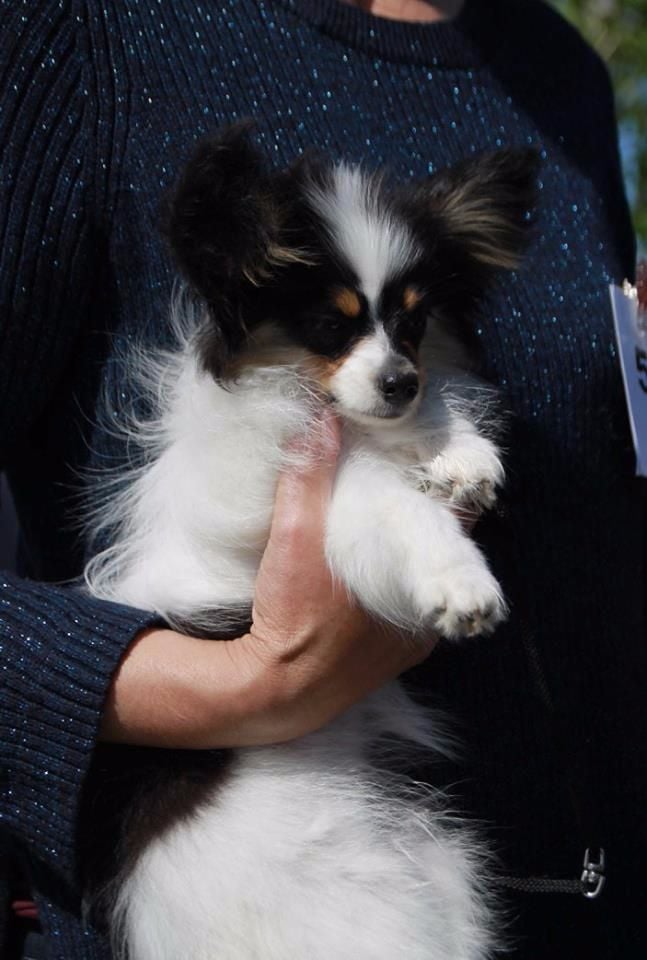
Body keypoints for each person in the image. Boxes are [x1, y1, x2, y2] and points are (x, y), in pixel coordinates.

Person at [1, 1, 645, 958]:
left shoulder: (563, 75)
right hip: (240, 853)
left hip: (545, 899)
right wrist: (247, 683)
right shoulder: (83, 32)